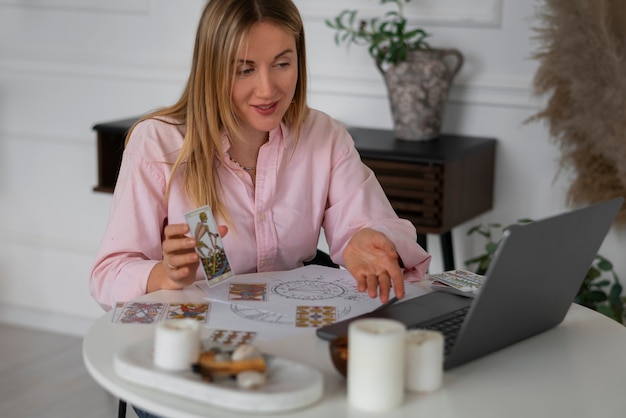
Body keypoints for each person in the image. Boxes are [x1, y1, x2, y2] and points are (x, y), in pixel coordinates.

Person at [90, 0, 431, 312]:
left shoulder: (324, 136)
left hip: (291, 331)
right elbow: (107, 275)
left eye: (282, 63)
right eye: (245, 69)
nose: (268, 89)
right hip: (197, 340)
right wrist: (164, 275)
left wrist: (374, 238)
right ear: (212, 69)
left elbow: (375, 227)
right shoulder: (159, 143)